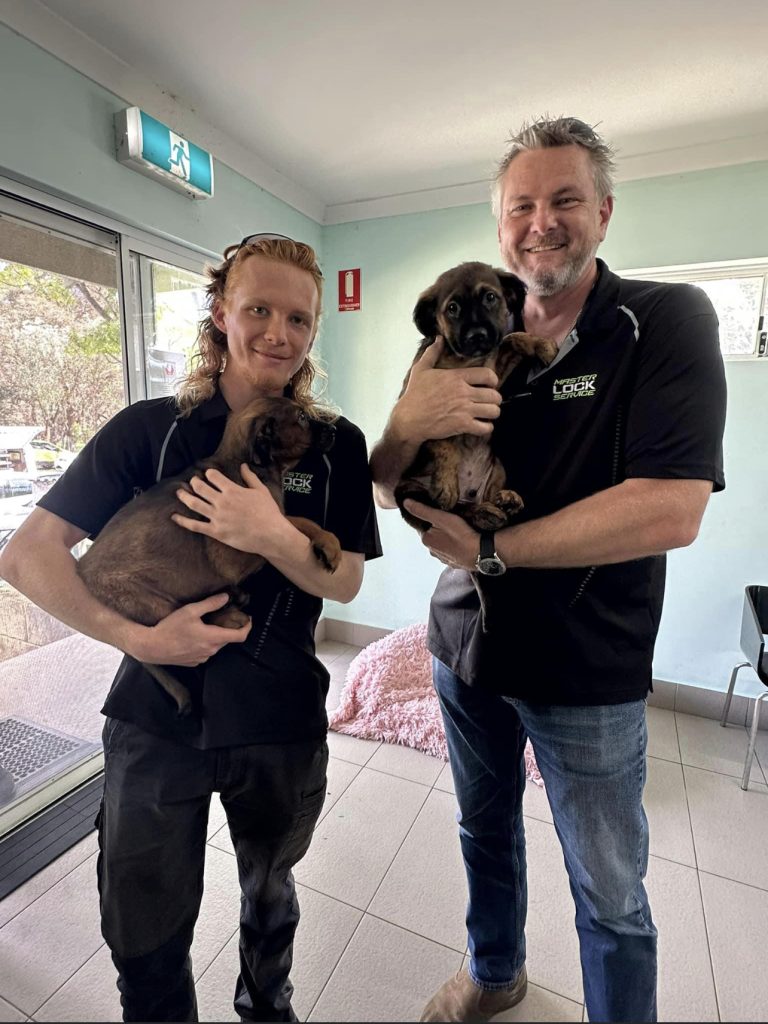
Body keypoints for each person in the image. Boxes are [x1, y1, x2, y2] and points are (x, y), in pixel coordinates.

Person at [369, 117, 726, 1023]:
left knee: (609, 888)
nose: (543, 222)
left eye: (565, 199)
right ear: (500, 232)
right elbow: (380, 485)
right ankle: (496, 973)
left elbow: (671, 508)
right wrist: (407, 421)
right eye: (521, 206)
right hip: (464, 649)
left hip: (585, 665)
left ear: (602, 213)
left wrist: (492, 549)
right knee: (482, 830)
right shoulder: (455, 341)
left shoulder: (665, 319)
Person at [0, 234, 382, 1022]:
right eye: (258, 310)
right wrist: (136, 639)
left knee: (270, 899)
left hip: (279, 715)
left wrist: (273, 532)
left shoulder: (335, 442)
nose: (278, 332)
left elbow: (343, 579)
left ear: (314, 332)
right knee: (142, 931)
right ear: (220, 314)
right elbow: (28, 556)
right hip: (155, 717)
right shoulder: (149, 430)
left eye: (299, 319)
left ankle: (264, 1008)